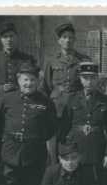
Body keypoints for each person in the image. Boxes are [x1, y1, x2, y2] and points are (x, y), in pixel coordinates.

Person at [0, 22, 37, 185]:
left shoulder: (27, 59)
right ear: (1, 39)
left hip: (20, 111)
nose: (9, 40)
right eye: (5, 37)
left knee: (16, 147)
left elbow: (33, 83)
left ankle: (18, 182)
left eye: (12, 36)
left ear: (17, 38)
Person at [59, 62, 107, 185]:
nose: (89, 81)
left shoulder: (106, 100)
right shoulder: (71, 99)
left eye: (92, 78)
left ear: (97, 79)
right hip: (76, 146)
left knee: (97, 181)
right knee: (77, 180)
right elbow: (64, 127)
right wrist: (63, 151)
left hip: (96, 146)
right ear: (80, 78)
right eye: (86, 78)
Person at [40, 23, 91, 164]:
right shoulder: (51, 60)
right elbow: (45, 87)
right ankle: (56, 169)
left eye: (71, 37)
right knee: (55, 143)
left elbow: (89, 86)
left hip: (77, 109)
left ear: (75, 40)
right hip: (57, 109)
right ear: (59, 40)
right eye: (64, 37)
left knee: (77, 140)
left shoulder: (83, 60)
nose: (68, 40)